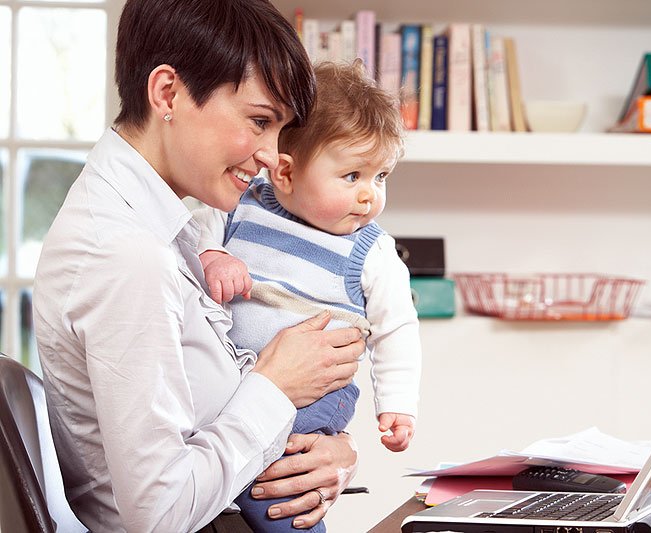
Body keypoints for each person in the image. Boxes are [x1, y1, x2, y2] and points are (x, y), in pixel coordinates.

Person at [31, 1, 365, 531]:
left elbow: (212, 417)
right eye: (259, 120)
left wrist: (327, 452)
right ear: (168, 93)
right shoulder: (126, 256)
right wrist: (276, 385)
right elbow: (160, 514)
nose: (271, 155)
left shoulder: (157, 225)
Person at [194, 61, 422, 532]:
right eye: (352, 175)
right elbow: (199, 221)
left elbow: (397, 327)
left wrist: (396, 404)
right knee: (239, 449)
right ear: (285, 173)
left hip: (318, 396)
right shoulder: (243, 204)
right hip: (243, 382)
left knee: (281, 479)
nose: (369, 197)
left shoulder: (371, 250)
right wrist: (213, 254)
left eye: (380, 177)